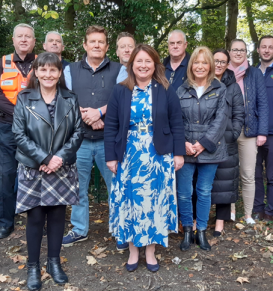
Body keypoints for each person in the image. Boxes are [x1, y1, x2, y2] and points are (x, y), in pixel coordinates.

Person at [104, 44, 185, 272]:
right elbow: (111, 125)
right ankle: (132, 250)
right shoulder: (120, 90)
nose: (143, 65)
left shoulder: (165, 89)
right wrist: (111, 157)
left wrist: (178, 153)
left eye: (148, 61)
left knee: (153, 203)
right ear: (132, 65)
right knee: (131, 202)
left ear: (155, 65)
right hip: (129, 155)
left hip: (158, 156)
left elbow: (177, 123)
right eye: (139, 61)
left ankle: (150, 251)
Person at [12, 52, 83, 291]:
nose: (48, 74)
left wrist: (58, 159)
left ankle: (54, 262)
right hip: (34, 167)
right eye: (43, 70)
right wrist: (43, 157)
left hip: (61, 167)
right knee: (35, 217)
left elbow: (77, 133)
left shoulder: (71, 99)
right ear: (36, 72)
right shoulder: (24, 99)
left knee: (56, 216)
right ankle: (33, 266)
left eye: (53, 70)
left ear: (60, 73)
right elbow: (19, 134)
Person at [62, 25, 128, 250]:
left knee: (115, 187)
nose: (97, 45)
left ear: (107, 46)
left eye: (101, 42)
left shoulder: (119, 70)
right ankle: (79, 229)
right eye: (93, 41)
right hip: (79, 140)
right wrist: (89, 117)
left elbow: (124, 101)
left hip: (108, 142)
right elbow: (66, 100)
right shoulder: (70, 70)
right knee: (78, 188)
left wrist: (100, 113)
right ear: (85, 45)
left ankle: (120, 230)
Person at [176, 46, 228, 251]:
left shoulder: (219, 88)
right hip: (186, 149)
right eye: (196, 62)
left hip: (210, 149)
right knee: (183, 192)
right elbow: (174, 119)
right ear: (191, 66)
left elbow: (221, 119)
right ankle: (188, 230)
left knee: (204, 191)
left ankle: (202, 231)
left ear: (210, 66)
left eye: (204, 63)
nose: (200, 66)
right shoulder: (181, 89)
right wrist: (183, 144)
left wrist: (203, 143)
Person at [0, 23, 36, 238]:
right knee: (6, 175)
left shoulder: (42, 62)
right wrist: (19, 112)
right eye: (20, 36)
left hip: (36, 128)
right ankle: (6, 221)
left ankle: (38, 221)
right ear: (14, 40)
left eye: (28, 36)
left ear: (34, 41)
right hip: (8, 127)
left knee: (37, 174)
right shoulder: (2, 63)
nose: (24, 39)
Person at [228, 39, 268, 224]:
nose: (238, 53)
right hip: (227, 130)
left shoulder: (254, 74)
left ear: (247, 52)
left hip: (249, 130)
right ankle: (230, 212)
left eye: (242, 50)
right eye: (235, 50)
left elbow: (263, 103)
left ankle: (248, 214)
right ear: (229, 52)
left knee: (248, 173)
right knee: (229, 173)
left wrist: (262, 132)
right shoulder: (223, 73)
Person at [210, 49, 244, 236]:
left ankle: (220, 222)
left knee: (225, 182)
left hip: (226, 140)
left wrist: (234, 133)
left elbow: (239, 113)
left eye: (223, 61)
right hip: (206, 141)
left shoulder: (233, 86)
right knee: (204, 181)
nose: (219, 65)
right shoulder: (203, 81)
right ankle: (199, 218)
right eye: (216, 60)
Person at [253, 36, 273, 221]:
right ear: (258, 49)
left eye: (270, 47)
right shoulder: (250, 73)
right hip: (252, 133)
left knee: (272, 176)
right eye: (263, 47)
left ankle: (270, 212)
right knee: (255, 174)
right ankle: (257, 209)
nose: (266, 50)